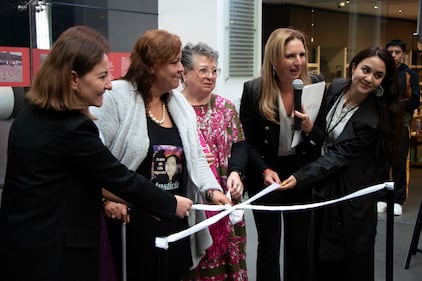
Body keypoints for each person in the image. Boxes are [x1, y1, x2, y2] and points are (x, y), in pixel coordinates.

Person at [0, 25, 192, 281]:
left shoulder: (29, 116)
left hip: (24, 250)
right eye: (102, 76)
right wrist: (169, 203)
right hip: (57, 256)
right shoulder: (73, 129)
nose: (110, 85)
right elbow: (117, 177)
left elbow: (87, 180)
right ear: (73, 79)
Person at [90, 29, 231, 281]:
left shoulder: (179, 105)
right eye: (175, 62)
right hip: (133, 224)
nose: (181, 69)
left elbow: (196, 157)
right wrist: (107, 199)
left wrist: (212, 190)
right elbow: (96, 161)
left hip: (174, 218)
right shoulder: (117, 97)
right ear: (153, 65)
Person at [281, 45, 403, 281]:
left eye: (378, 76)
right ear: (354, 66)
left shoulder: (371, 119)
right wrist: (310, 129)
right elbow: (326, 140)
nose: (369, 79)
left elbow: (339, 155)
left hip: (350, 199)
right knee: (318, 258)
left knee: (347, 262)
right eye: (365, 70)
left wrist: (300, 177)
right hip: (326, 191)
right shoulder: (336, 88)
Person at [239, 27, 325, 281]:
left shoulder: (317, 84)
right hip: (267, 176)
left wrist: (310, 129)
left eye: (301, 54)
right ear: (275, 59)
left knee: (300, 246)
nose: (298, 62)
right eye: (290, 56)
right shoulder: (254, 90)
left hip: (301, 175)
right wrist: (264, 170)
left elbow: (323, 140)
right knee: (269, 245)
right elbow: (247, 142)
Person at [180, 42, 248, 280]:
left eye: (214, 70)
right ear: (185, 73)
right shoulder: (174, 108)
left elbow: (240, 144)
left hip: (225, 198)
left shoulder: (226, 108)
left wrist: (236, 172)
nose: (210, 76)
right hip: (192, 200)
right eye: (203, 70)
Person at [377, 39, 420, 216]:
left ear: (403, 54)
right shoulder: (381, 72)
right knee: (381, 161)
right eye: (390, 52)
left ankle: (397, 199)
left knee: (399, 163)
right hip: (381, 124)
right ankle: (380, 197)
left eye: (397, 52)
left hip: (401, 125)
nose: (393, 55)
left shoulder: (410, 74)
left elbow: (415, 100)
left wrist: (394, 105)